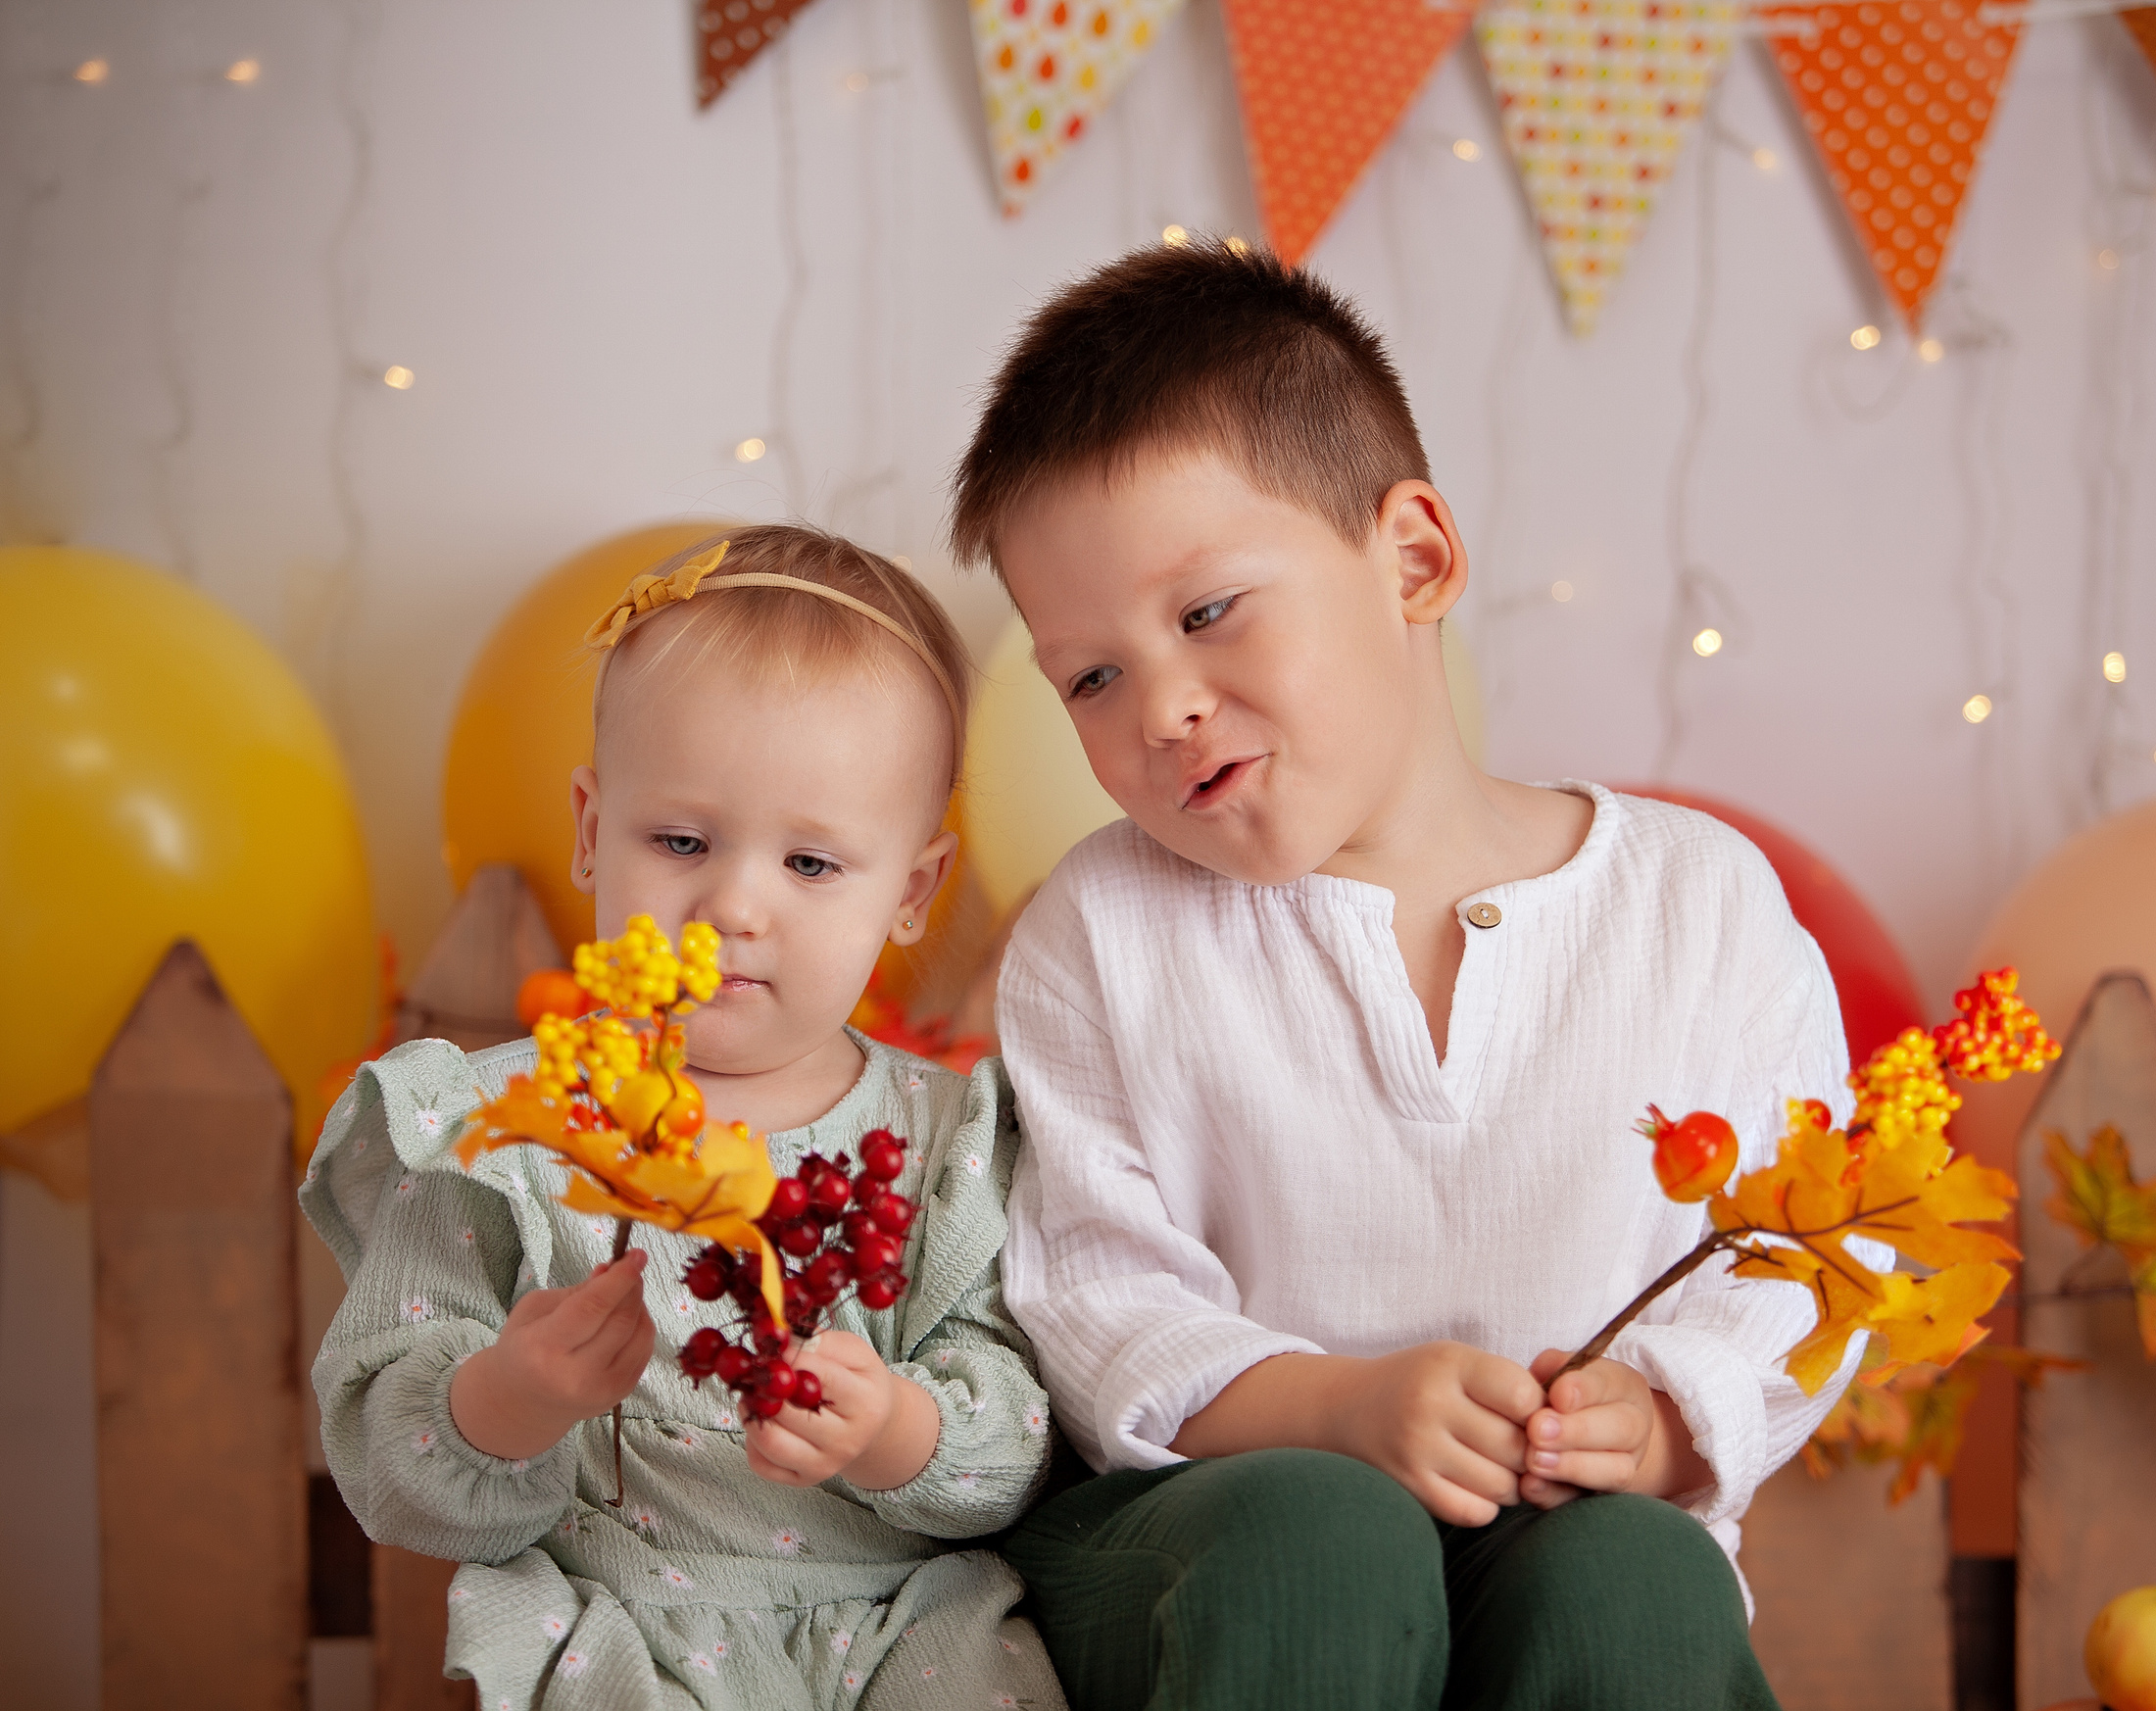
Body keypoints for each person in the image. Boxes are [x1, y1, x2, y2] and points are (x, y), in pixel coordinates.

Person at [947, 242, 1855, 1710]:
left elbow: (1805, 1257)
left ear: (1415, 559)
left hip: (1555, 1535)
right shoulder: (1100, 928)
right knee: (1324, 1536)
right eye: (1091, 677)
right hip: (1215, 1540)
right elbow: (1097, 1298)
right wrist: (1339, 1405)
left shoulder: (1699, 905)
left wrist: (1665, 1420)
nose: (1162, 708)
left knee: (1636, 1573)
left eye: (1207, 611)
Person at [301, 525, 1066, 1710]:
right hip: (620, 1634)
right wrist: (508, 1398)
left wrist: (898, 1430)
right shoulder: (503, 1127)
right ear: (590, 830)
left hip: (904, 1631)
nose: (735, 904)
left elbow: (1019, 1439)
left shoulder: (942, 1142)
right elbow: (389, 1471)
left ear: (911, 891)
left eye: (811, 864)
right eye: (681, 841)